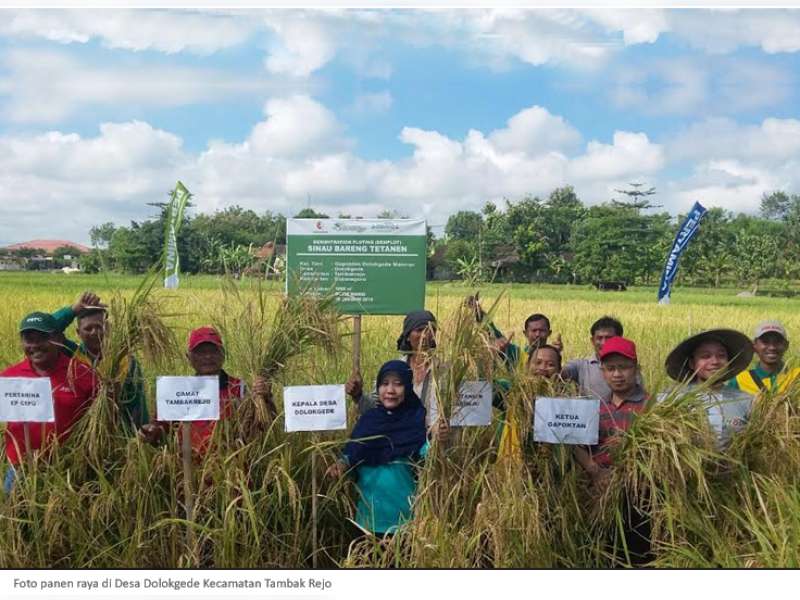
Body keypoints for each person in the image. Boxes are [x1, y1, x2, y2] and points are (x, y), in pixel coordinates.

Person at [327, 360, 446, 536]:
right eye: (384, 384)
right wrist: (339, 466)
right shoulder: (368, 421)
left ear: (407, 387)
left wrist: (437, 440)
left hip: (404, 523)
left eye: (398, 384)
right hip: (367, 522)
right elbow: (352, 453)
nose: (390, 390)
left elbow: (426, 454)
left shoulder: (414, 421)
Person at [573, 336, 651, 565]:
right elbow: (577, 444)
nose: (618, 374)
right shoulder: (594, 405)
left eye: (624, 367)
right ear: (603, 372)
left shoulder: (653, 406)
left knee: (637, 557)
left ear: (636, 369)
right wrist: (594, 471)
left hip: (640, 499)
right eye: (611, 369)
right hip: (599, 494)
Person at [2, 312, 98, 494]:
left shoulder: (82, 373)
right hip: (20, 468)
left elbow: (100, 420)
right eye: (29, 339)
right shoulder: (9, 377)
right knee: (13, 518)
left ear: (59, 340)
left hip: (69, 468)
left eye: (43, 338)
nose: (35, 345)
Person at [141, 326, 275, 455]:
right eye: (201, 352)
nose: (208, 357)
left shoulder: (239, 388)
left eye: (213, 351)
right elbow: (160, 429)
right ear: (188, 357)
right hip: (187, 471)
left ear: (223, 355)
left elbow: (263, 428)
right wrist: (152, 432)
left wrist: (265, 398)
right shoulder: (178, 389)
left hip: (232, 471)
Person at [664, 329, 754, 449]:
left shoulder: (746, 401)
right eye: (705, 356)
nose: (715, 361)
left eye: (721, 356)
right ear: (692, 363)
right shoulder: (671, 399)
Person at [346, 310, 440, 425]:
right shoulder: (394, 370)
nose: (425, 335)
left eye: (429, 330)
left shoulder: (445, 371)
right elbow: (376, 409)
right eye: (419, 330)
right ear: (408, 336)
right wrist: (358, 395)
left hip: (434, 440)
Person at [562, 316, 627, 398]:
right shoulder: (581, 366)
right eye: (599, 338)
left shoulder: (629, 368)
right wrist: (554, 353)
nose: (604, 343)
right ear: (592, 341)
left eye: (609, 338)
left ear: (620, 340)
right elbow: (559, 374)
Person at [728, 321, 800, 395]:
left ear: (786, 345)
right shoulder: (739, 380)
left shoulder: (797, 376)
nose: (772, 347)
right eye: (765, 342)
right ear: (754, 345)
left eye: (777, 342)